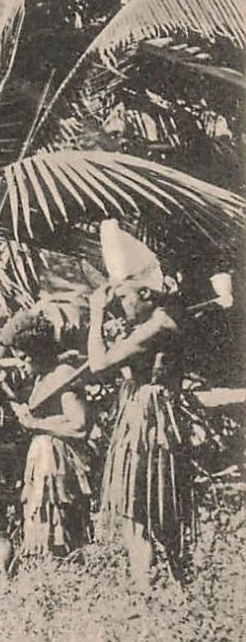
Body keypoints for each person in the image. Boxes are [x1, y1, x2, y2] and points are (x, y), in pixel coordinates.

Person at [88, 222, 192, 583]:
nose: (119, 305)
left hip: (150, 419)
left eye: (124, 297)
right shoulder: (153, 322)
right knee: (145, 508)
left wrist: (96, 316)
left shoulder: (159, 325)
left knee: (144, 508)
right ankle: (158, 584)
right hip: (141, 412)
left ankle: (149, 588)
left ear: (147, 294)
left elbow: (99, 363)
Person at [2, 311, 93, 559]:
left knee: (61, 523)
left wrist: (37, 425)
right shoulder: (42, 377)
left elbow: (79, 426)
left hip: (59, 462)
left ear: (37, 350)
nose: (21, 364)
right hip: (42, 458)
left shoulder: (63, 375)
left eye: (23, 358)